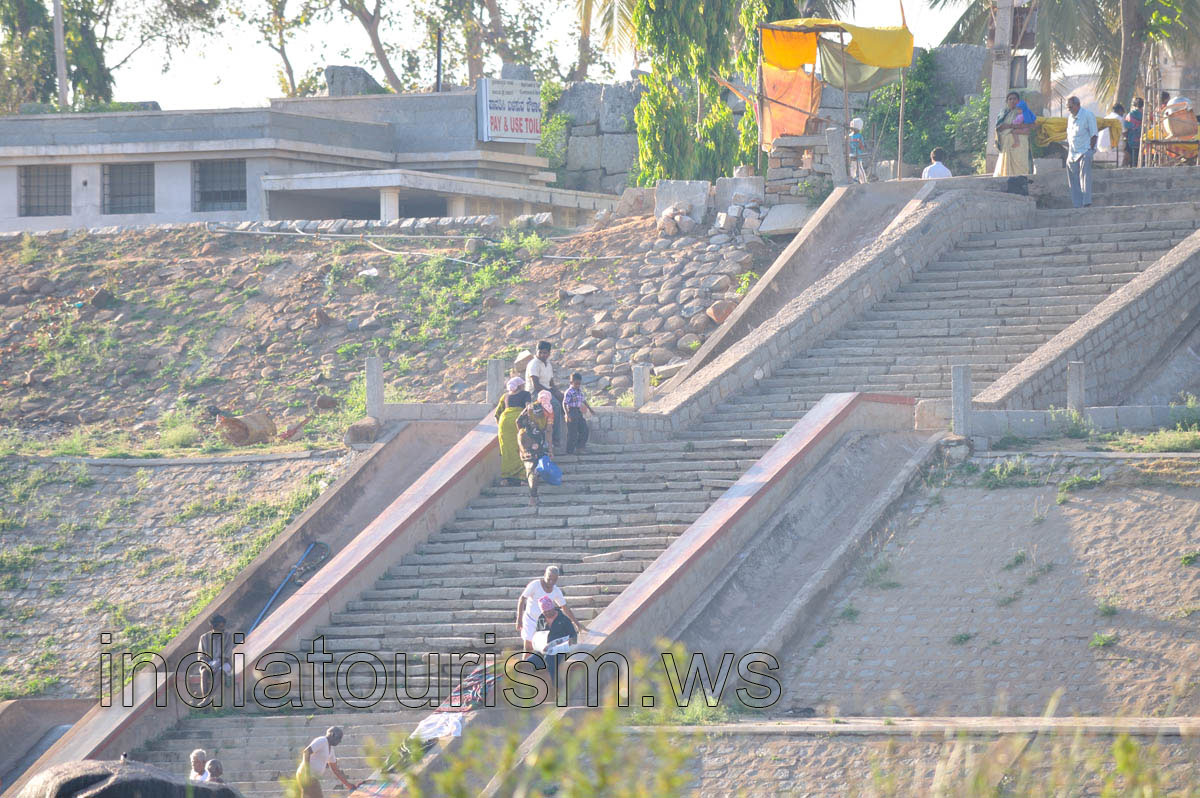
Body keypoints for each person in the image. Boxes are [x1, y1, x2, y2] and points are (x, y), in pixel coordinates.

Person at [516, 566, 582, 656]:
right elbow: (522, 599)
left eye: (554, 580)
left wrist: (577, 623)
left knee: (543, 648)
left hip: (544, 623)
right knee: (528, 647)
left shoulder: (556, 591)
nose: (551, 582)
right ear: (545, 575)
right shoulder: (535, 585)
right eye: (549, 578)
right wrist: (519, 619)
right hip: (530, 620)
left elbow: (564, 607)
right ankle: (524, 663)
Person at [533, 595, 579, 684]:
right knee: (530, 662)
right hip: (544, 649)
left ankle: (556, 686)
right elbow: (538, 634)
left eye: (549, 611)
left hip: (560, 650)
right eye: (545, 612)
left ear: (553, 608)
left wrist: (570, 641)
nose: (547, 613)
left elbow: (574, 636)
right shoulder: (541, 618)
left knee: (549, 659)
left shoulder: (564, 619)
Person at [525, 341, 563, 448]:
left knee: (565, 402)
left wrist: (558, 393)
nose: (542, 355)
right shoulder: (534, 364)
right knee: (555, 406)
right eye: (540, 352)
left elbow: (551, 383)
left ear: (549, 353)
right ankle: (555, 439)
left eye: (545, 353)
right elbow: (536, 385)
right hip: (535, 392)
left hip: (546, 391)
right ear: (536, 351)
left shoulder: (548, 364)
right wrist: (552, 393)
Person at [297, 727, 355, 798]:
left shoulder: (331, 750)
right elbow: (306, 752)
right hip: (306, 774)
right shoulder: (322, 740)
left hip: (313, 778)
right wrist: (307, 774)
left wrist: (348, 784)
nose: (339, 741)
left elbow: (335, 770)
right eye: (339, 738)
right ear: (332, 735)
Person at [516, 396, 553, 505]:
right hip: (532, 450)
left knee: (533, 472)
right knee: (532, 472)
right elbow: (548, 432)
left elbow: (518, 422)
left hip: (534, 449)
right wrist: (550, 450)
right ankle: (533, 497)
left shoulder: (529, 425)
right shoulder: (531, 425)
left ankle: (533, 495)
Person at [494, 376, 530, 486]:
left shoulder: (505, 396)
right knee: (521, 448)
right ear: (520, 386)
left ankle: (505, 478)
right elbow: (528, 408)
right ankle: (523, 478)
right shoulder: (525, 394)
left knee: (506, 451)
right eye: (523, 384)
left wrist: (501, 427)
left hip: (504, 423)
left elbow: (497, 414)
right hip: (518, 422)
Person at [1066, 95, 1098, 208]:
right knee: (1073, 179)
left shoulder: (1088, 115)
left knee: (1085, 177)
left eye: (1070, 107)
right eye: (1067, 107)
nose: (1069, 109)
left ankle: (1086, 202)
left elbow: (1094, 134)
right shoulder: (1070, 118)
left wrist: (1090, 150)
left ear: (1077, 105)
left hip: (1085, 150)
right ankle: (1077, 204)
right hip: (1073, 152)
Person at [994, 91, 1035, 176]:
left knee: (1021, 168)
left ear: (1018, 101)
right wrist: (1003, 127)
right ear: (1007, 101)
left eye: (1015, 99)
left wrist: (1011, 126)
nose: (1012, 101)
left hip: (1020, 144)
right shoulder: (1003, 113)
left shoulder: (1023, 111)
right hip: (1006, 144)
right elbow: (998, 128)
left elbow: (1032, 125)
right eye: (1010, 99)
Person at [197, 614, 232, 694]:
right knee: (204, 672)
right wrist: (208, 665)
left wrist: (217, 664)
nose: (222, 629)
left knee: (219, 672)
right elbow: (201, 657)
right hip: (209, 664)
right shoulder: (204, 638)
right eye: (220, 627)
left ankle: (208, 697)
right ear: (212, 626)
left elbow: (227, 656)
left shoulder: (228, 636)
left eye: (223, 626)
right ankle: (205, 696)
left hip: (224, 663)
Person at [562, 373, 594, 455]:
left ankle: (580, 447)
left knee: (584, 430)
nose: (578, 385)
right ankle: (569, 451)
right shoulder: (569, 392)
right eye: (576, 384)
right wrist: (567, 414)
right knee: (572, 433)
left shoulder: (579, 391)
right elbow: (564, 403)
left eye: (579, 384)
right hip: (571, 412)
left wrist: (590, 409)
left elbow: (583, 401)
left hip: (578, 412)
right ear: (571, 382)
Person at [847, 117, 868, 182]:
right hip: (853, 155)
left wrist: (859, 142)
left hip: (856, 154)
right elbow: (847, 143)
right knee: (854, 168)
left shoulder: (859, 136)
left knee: (858, 168)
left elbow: (862, 147)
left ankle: (863, 181)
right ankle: (855, 181)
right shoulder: (850, 136)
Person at [1126, 98, 1144, 167]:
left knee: (1133, 154)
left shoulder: (1130, 114)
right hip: (1144, 138)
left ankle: (1133, 166)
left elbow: (1126, 126)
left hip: (1133, 139)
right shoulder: (1146, 114)